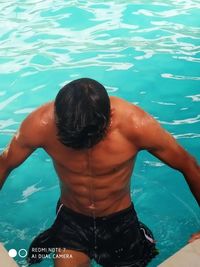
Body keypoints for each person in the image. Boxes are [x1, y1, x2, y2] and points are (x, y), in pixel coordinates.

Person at [0, 78, 199, 267]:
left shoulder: (136, 125)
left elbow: (188, 165)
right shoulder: (40, 125)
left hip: (120, 221)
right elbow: (4, 164)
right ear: (57, 119)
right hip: (72, 220)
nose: (85, 147)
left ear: (109, 117)